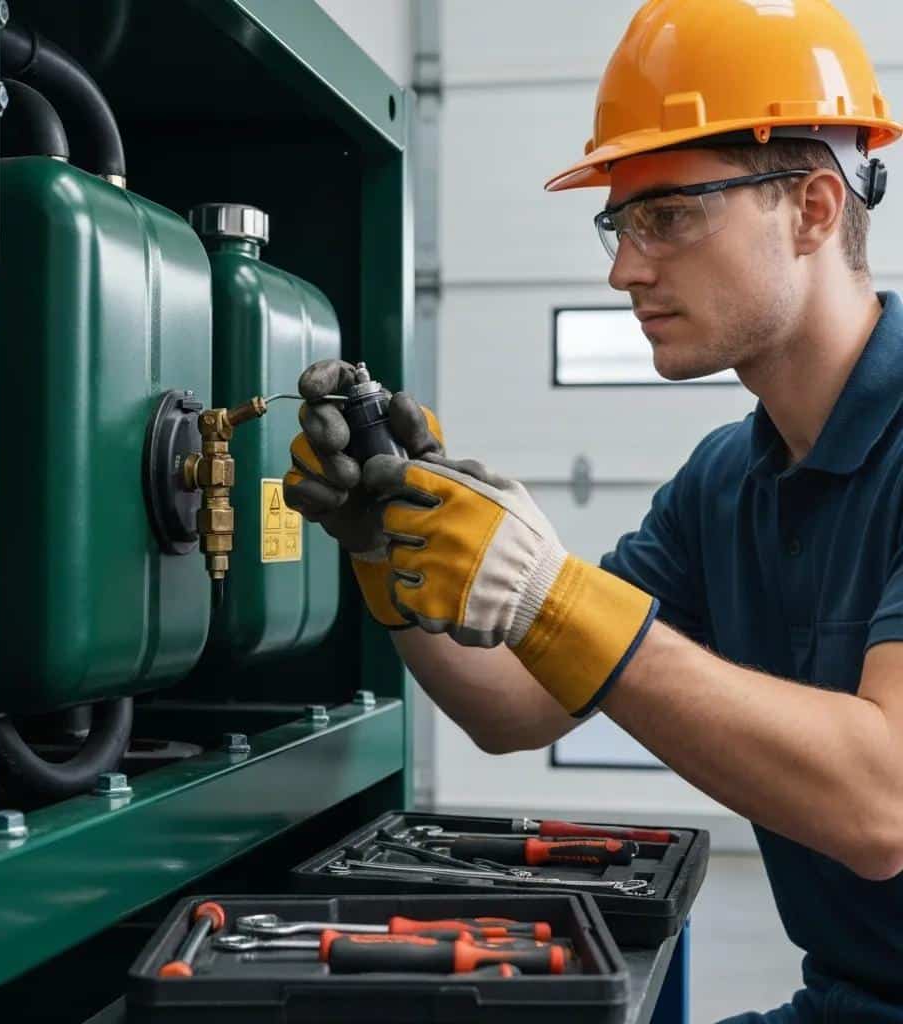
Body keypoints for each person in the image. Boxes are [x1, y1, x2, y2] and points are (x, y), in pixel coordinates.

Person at [283, 1, 903, 1019]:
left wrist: (555, 597)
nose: (624, 269)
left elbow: (880, 803)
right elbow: (515, 706)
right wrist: (386, 549)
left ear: (813, 206)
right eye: (620, 222)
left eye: (668, 216)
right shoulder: (725, 483)